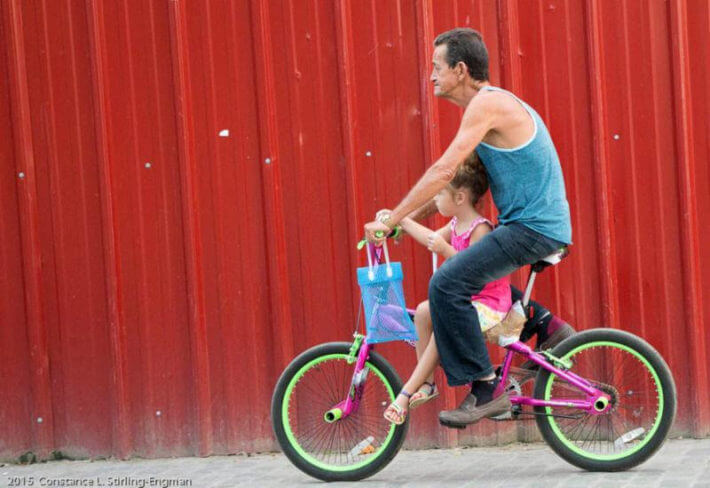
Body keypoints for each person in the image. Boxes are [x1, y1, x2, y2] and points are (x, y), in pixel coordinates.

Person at [364, 27, 573, 427]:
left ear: (461, 69)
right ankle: (547, 326)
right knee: (473, 275)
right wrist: (398, 222)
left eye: (436, 67)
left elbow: (443, 170)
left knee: (446, 285)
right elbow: (457, 184)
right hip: (531, 225)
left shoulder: (486, 105)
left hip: (532, 227)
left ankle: (485, 387)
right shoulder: (485, 111)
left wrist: (393, 217)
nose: (431, 77)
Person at [383, 152, 512, 425]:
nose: (436, 201)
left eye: (440, 195)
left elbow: (474, 270)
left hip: (488, 304)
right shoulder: (456, 224)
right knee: (423, 311)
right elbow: (430, 239)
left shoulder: (481, 229)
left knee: (444, 323)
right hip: (466, 301)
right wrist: (398, 220)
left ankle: (406, 392)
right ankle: (427, 384)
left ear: (460, 198)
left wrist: (447, 250)